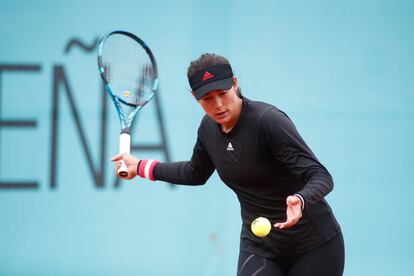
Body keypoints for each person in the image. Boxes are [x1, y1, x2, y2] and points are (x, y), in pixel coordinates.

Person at [112, 53, 345, 276]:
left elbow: (321, 176)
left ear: (234, 83)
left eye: (222, 93)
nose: (218, 105)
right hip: (259, 246)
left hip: (314, 246)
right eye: (207, 99)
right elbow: (195, 173)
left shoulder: (269, 121)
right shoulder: (207, 129)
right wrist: (140, 167)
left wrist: (300, 198)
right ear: (195, 97)